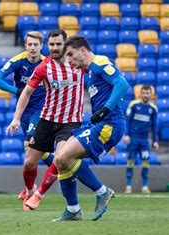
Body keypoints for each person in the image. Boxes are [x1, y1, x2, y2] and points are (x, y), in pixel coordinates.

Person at [6, 29, 86, 211]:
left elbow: (98, 70)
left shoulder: (78, 64)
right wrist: (16, 118)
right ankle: (29, 189)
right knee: (28, 163)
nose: (55, 47)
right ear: (48, 46)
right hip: (47, 120)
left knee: (60, 158)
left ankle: (38, 195)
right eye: (52, 44)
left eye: (58, 44)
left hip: (70, 122)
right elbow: (26, 92)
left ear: (65, 45)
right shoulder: (44, 67)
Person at [53, 35, 130, 221]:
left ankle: (102, 192)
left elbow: (122, 84)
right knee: (59, 159)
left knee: (64, 156)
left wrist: (105, 109)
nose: (69, 60)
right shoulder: (90, 72)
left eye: (71, 54)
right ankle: (73, 210)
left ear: (83, 50)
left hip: (110, 124)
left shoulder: (100, 62)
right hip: (99, 123)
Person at [0, 31, 55, 208]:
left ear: (41, 46)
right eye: (30, 44)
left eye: (36, 45)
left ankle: (30, 192)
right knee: (33, 153)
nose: (33, 48)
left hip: (40, 111)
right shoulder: (18, 60)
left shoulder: (47, 63)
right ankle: (60, 165)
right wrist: (17, 91)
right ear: (26, 45)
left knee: (30, 149)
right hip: (23, 111)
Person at [124, 85, 159, 194]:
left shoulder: (153, 109)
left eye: (147, 93)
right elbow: (127, 121)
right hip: (133, 138)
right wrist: (126, 134)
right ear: (140, 94)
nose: (145, 95)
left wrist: (155, 141)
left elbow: (154, 126)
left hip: (144, 140)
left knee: (145, 162)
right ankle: (128, 186)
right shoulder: (133, 105)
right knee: (130, 161)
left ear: (150, 94)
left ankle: (144, 187)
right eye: (143, 93)